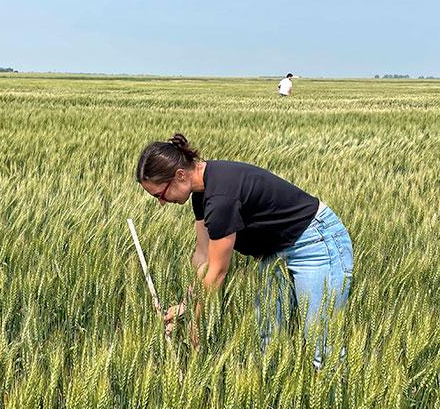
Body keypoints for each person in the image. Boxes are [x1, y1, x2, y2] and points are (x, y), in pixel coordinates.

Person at [135, 133, 353, 368]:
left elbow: (218, 272)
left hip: (314, 242)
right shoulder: (201, 192)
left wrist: (195, 324)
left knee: (321, 345)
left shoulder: (221, 198)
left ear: (179, 175)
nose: (161, 202)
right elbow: (203, 255)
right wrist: (187, 303)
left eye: (160, 194)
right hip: (273, 252)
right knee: (269, 341)